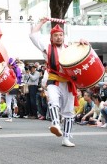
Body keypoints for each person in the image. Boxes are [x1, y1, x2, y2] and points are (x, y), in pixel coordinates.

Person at [29, 17, 89, 147]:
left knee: (68, 112)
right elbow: (33, 36)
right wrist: (41, 22)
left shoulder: (70, 48)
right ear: (52, 37)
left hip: (67, 83)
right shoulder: (47, 48)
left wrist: (83, 42)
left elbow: (84, 52)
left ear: (64, 36)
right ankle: (55, 123)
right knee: (53, 101)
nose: (58, 37)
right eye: (55, 35)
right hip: (53, 80)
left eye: (61, 35)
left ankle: (66, 138)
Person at [4, 57, 22, 122]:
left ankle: (10, 117)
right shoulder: (18, 69)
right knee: (14, 101)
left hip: (10, 87)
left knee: (8, 103)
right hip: (16, 87)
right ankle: (15, 113)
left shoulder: (10, 70)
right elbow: (19, 79)